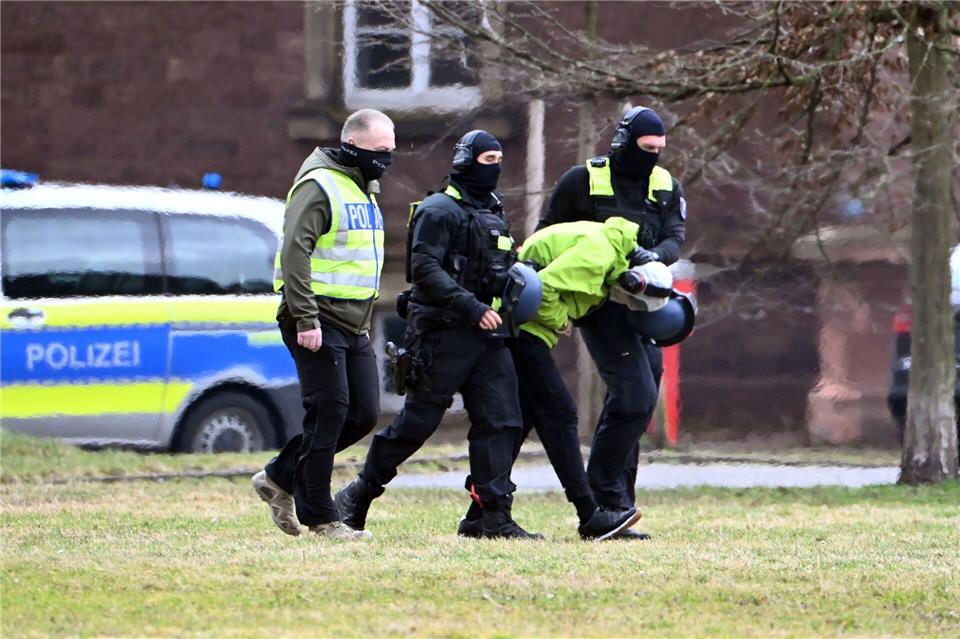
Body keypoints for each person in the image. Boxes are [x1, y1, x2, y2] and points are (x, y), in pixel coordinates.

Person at [334, 130, 540, 539]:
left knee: (502, 421)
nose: (495, 167)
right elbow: (425, 271)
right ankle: (358, 494)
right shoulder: (437, 210)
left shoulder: (494, 210)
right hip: (442, 335)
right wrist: (472, 307)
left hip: (488, 336)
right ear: (465, 161)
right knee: (417, 424)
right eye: (487, 159)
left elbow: (501, 269)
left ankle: (492, 517)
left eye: (499, 158)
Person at [456, 218, 674, 541]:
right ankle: (589, 514)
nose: (626, 305)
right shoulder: (599, 255)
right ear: (633, 280)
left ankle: (481, 515)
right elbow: (542, 289)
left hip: (525, 327)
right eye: (631, 300)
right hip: (522, 328)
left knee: (519, 421)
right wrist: (561, 321)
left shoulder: (611, 253)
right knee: (559, 414)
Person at [537, 106, 687, 539]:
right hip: (598, 303)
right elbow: (546, 235)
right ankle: (604, 496)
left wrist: (650, 261)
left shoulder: (665, 186)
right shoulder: (582, 180)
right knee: (635, 395)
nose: (652, 158)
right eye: (645, 149)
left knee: (638, 398)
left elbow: (675, 237)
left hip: (645, 304)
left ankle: (621, 504)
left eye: (659, 150)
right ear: (624, 142)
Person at [251, 108, 395, 541]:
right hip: (315, 316)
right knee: (329, 411)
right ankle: (323, 518)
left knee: (363, 413)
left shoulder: (362, 185)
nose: (387, 160)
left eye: (391, 151)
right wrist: (306, 318)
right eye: (380, 152)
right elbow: (295, 253)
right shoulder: (319, 185)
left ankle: (278, 476)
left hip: (354, 323)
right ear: (352, 145)